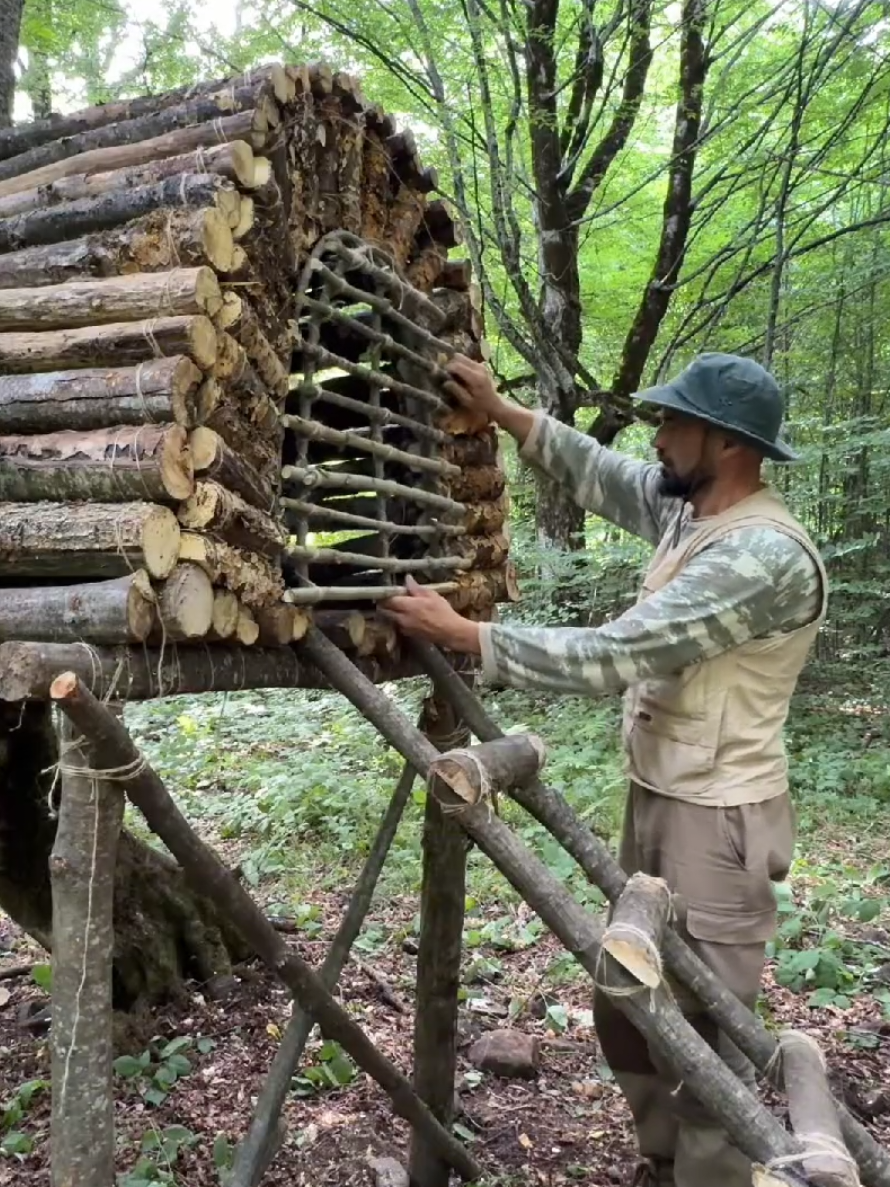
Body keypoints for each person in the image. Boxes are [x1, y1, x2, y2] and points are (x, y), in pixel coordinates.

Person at [382, 351, 829, 1187]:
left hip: (721, 821)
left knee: (706, 1031)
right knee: (629, 1000)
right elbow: (607, 473)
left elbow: (622, 651)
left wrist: (467, 635)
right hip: (662, 796)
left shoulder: (760, 555)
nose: (656, 437)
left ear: (727, 442)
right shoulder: (688, 507)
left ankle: (711, 1175)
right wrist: (504, 413)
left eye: (673, 421)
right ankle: (663, 1163)